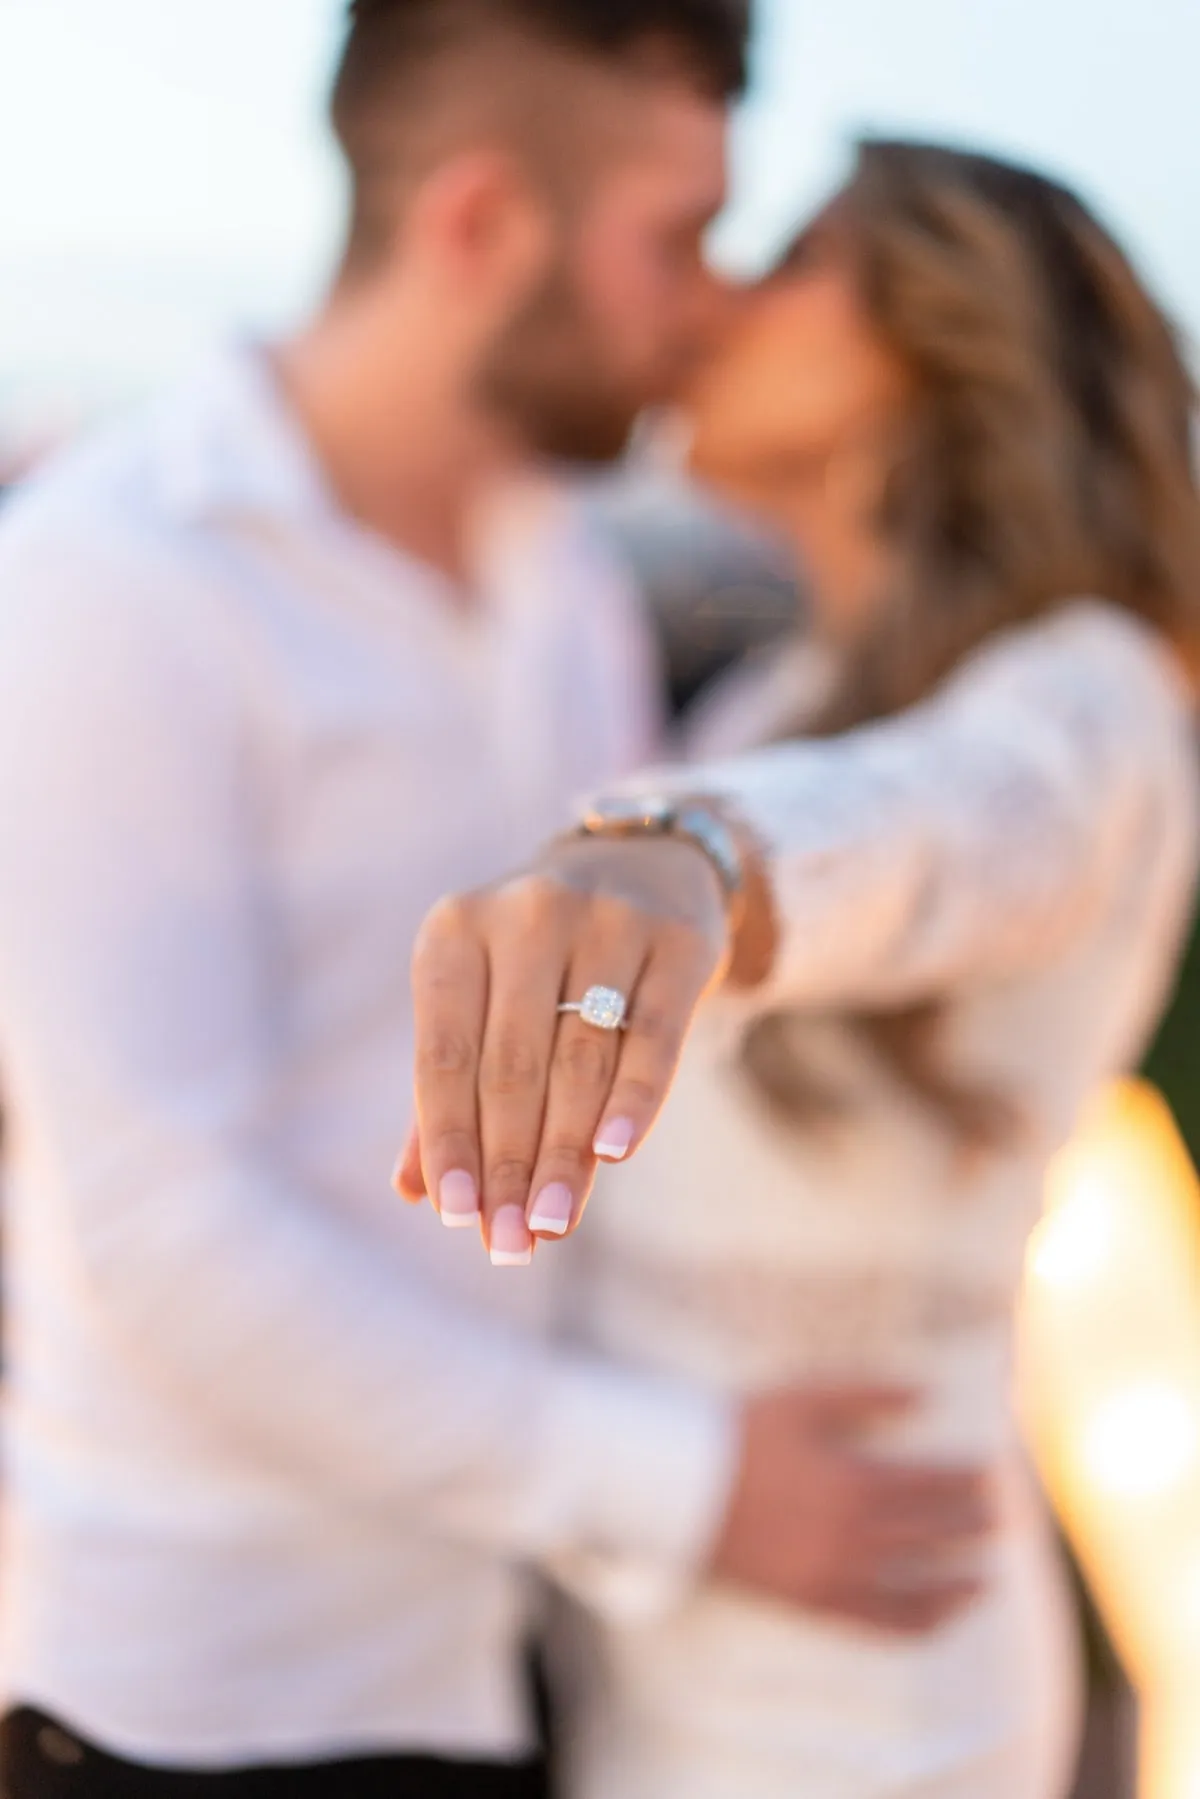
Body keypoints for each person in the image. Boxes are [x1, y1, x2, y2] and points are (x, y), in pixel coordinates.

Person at [0, 5, 952, 1795]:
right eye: (675, 238)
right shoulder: (108, 581)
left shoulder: (567, 580)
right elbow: (162, 1229)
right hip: (208, 1706)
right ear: (475, 225)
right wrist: (692, 1485)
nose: (707, 303)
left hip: (512, 1663)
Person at [401, 142, 1200, 1798]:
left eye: (795, 258)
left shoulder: (1090, 700)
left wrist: (681, 860)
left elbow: (934, 833)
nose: (721, 295)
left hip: (877, 1705)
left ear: (944, 333)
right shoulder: (775, 693)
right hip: (650, 1668)